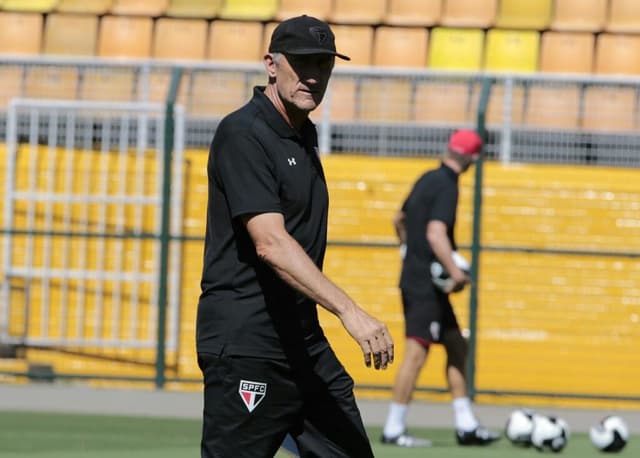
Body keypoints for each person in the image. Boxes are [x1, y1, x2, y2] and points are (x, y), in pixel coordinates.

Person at [196, 15, 394, 458]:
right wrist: (351, 312)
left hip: (303, 343)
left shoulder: (302, 135)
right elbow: (270, 242)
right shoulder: (244, 134)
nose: (313, 76)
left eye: (323, 64)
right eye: (302, 63)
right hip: (250, 344)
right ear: (271, 64)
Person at [381, 129, 500, 447]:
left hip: (423, 281)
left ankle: (466, 425)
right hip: (425, 285)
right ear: (473, 159)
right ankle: (393, 427)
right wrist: (455, 273)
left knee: (457, 347)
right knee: (417, 353)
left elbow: (399, 219)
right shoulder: (448, 185)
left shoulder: (427, 177)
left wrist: (408, 251)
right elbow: (436, 233)